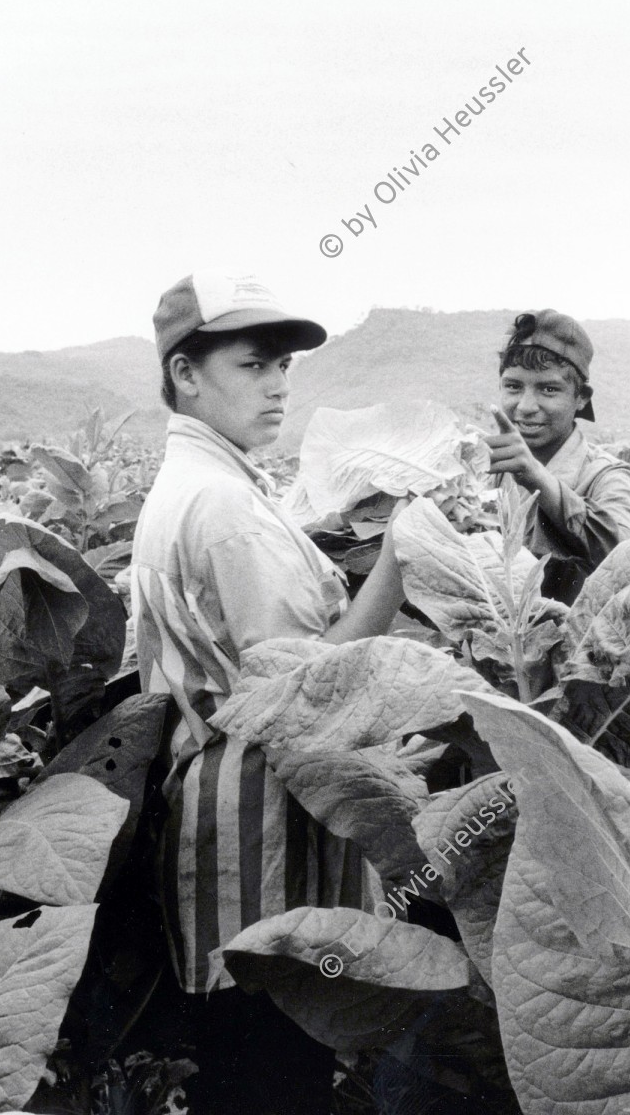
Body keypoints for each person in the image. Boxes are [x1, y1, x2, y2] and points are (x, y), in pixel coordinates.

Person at [127, 270, 410, 1114]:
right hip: (262, 814)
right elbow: (310, 688)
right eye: (255, 365)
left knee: (244, 1060)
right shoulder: (225, 506)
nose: (280, 386)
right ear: (185, 373)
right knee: (275, 1063)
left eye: (284, 366)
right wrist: (401, 555)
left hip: (221, 803)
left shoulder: (200, 485)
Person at [483, 310, 630, 604]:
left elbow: (626, 559)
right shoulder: (487, 471)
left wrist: (536, 477)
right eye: (513, 386)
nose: (526, 406)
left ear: (581, 397)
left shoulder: (607, 476)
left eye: (549, 389)